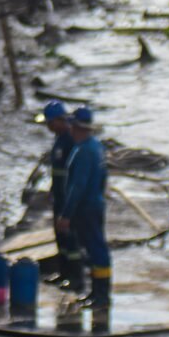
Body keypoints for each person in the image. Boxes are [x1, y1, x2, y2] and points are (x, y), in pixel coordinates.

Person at [57, 106, 111, 319]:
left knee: (96, 251)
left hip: (86, 208)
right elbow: (103, 177)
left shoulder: (82, 152)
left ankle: (102, 296)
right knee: (95, 249)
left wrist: (66, 214)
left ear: (75, 127)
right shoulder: (96, 147)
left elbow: (76, 186)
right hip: (95, 204)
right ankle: (96, 293)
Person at [40, 101, 81, 287]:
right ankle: (64, 273)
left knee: (71, 238)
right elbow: (58, 171)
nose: (48, 127)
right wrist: (52, 190)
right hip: (59, 197)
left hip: (68, 199)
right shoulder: (58, 139)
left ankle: (75, 277)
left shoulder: (70, 140)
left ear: (58, 120)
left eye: (50, 123)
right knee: (60, 237)